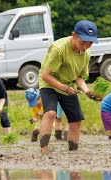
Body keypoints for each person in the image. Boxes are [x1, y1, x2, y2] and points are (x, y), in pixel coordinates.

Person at [38, 19, 98, 154]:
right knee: (51, 113)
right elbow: (46, 76)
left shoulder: (86, 53)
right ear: (74, 35)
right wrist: (64, 88)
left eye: (90, 44)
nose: (85, 47)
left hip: (68, 85)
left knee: (76, 120)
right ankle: (43, 152)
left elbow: (78, 76)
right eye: (83, 42)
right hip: (49, 84)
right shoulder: (59, 49)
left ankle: (73, 153)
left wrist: (87, 91)